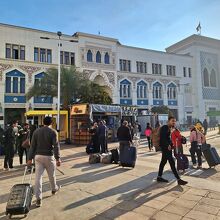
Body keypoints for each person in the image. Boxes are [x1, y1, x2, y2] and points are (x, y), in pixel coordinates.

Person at [27, 116, 61, 207]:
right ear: (51, 123)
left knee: (38, 178)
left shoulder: (36, 131)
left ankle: (38, 199)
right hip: (49, 157)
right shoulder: (53, 132)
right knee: (52, 175)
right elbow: (56, 146)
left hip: (38, 157)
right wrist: (58, 158)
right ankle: (54, 189)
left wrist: (29, 158)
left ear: (43, 122)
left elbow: (32, 146)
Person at [157, 116, 188, 185]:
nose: (174, 122)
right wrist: (168, 145)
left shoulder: (170, 128)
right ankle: (178, 179)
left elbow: (168, 138)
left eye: (174, 121)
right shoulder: (165, 127)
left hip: (167, 148)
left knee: (163, 162)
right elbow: (163, 138)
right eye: (172, 121)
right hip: (166, 148)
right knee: (172, 163)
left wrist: (171, 144)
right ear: (168, 121)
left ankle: (159, 176)